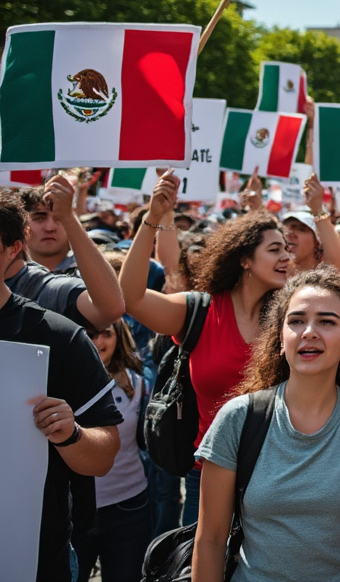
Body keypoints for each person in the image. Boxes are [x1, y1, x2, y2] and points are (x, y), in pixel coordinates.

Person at [192, 269, 340, 581]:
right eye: (296, 320)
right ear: (280, 337)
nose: (309, 332)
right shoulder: (238, 418)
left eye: (327, 322)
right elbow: (210, 540)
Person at [119, 171, 291, 524]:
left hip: (281, 475)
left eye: (287, 249)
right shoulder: (199, 310)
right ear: (244, 259)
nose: (286, 257)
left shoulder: (292, 317)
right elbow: (131, 297)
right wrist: (153, 219)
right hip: (208, 474)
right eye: (275, 249)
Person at [0, 192, 121, 582]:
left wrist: (70, 434)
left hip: (31, 559)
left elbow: (103, 455)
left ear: (13, 250)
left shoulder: (57, 337)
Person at [72, 318, 151, 582]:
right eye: (90, 334)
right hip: (75, 509)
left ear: (119, 338)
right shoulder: (62, 382)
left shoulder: (139, 384)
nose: (97, 342)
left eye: (105, 334)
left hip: (129, 507)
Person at [7, 176, 126, 329]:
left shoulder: (91, 272)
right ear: (22, 224)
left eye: (58, 217)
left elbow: (111, 309)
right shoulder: (7, 275)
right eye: (39, 217)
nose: (50, 227)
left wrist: (68, 216)